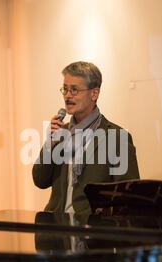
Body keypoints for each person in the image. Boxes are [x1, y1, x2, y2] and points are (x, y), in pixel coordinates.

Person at [32, 61, 140, 220]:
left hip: (93, 232)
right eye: (65, 89)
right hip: (58, 230)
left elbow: (128, 198)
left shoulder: (116, 137)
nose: (68, 95)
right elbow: (40, 180)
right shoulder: (61, 133)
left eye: (74, 90)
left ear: (94, 94)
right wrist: (49, 145)